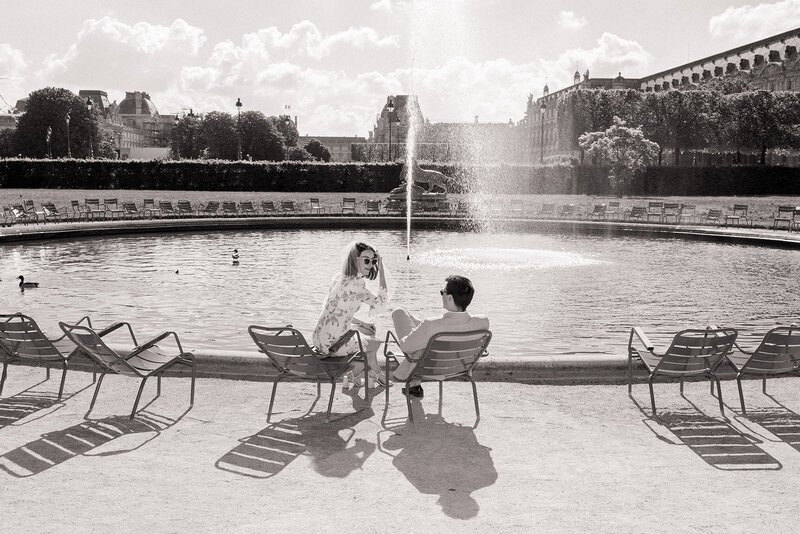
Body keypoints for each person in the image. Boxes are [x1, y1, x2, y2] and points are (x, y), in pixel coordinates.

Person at [391, 275, 489, 398]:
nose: (442, 295)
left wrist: (415, 332)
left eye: (442, 292)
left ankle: (414, 383)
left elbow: (406, 347)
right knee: (424, 335)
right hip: (458, 368)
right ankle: (414, 386)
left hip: (429, 369)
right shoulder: (483, 322)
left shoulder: (432, 324)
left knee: (399, 312)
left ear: (449, 297)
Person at [313, 241, 389, 388]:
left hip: (319, 339)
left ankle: (355, 377)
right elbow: (381, 303)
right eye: (367, 260)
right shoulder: (357, 284)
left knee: (368, 332)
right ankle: (372, 375)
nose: (371, 264)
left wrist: (362, 324)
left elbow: (338, 313)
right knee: (375, 343)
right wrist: (382, 269)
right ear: (355, 260)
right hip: (334, 346)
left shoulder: (338, 278)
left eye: (374, 261)